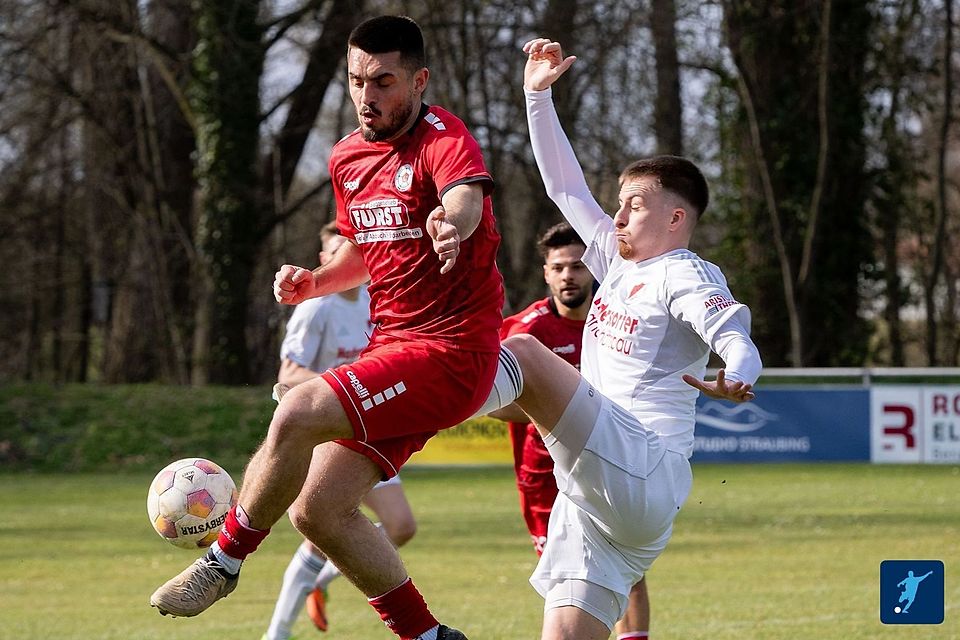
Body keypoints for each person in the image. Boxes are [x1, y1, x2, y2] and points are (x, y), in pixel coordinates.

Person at [151, 16, 505, 640]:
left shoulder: (443, 139)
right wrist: (313, 282)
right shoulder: (347, 158)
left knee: (296, 412)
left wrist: (451, 222)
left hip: (451, 352)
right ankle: (428, 636)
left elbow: (464, 199)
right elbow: (362, 250)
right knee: (317, 511)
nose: (368, 96)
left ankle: (223, 561)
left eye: (385, 82)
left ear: (419, 80)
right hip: (393, 351)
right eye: (356, 80)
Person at [473, 38, 763, 640]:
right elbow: (564, 186)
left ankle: (407, 401)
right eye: (620, 204)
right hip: (599, 503)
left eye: (635, 205)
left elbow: (733, 329)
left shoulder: (682, 272)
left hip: (643, 466)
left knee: (525, 353)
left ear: (676, 219)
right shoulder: (618, 260)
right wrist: (537, 95)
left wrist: (739, 371)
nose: (619, 215)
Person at [494, 222, 652, 640]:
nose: (569, 275)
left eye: (578, 266)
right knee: (570, 580)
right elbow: (494, 403)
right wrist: (561, 409)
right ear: (546, 273)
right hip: (546, 479)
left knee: (625, 564)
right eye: (559, 267)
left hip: (609, 458)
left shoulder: (617, 322)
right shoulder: (526, 331)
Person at [263, 222, 417, 640]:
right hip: (325, 427)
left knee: (401, 526)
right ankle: (275, 633)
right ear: (323, 260)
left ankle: (315, 584)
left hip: (368, 425)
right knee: (322, 528)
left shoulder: (375, 298)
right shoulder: (316, 307)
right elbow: (288, 372)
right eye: (334, 253)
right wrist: (344, 386)